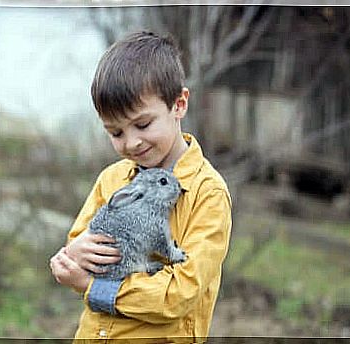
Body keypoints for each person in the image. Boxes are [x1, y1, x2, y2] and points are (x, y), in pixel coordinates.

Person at [49, 31, 232, 342]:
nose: (131, 142)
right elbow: (81, 246)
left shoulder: (208, 194)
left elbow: (179, 294)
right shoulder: (113, 179)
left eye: (143, 125)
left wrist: (96, 288)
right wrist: (70, 255)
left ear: (179, 104)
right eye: (115, 132)